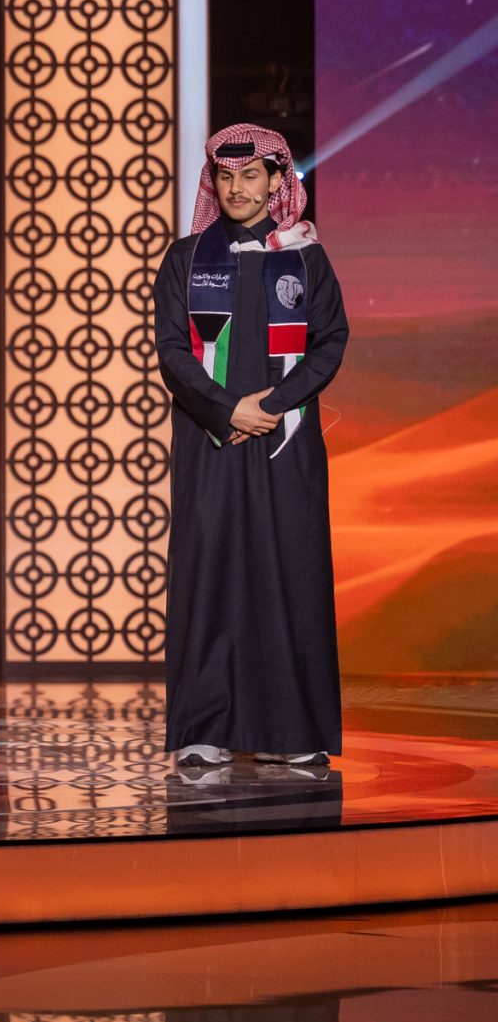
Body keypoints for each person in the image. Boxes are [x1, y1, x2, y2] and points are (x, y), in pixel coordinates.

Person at [154, 123, 349, 767]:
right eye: (225, 176)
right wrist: (225, 408)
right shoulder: (185, 260)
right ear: (212, 182)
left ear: (274, 181)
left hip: (284, 443)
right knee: (208, 574)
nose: (236, 188)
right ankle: (203, 729)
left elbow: (330, 342)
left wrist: (270, 405)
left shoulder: (306, 258)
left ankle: (290, 732)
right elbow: (172, 352)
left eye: (250, 176)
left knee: (286, 571)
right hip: (207, 441)